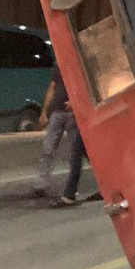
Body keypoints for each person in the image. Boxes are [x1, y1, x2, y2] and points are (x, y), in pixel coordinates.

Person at [32, 65, 86, 205]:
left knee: (77, 151)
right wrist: (45, 112)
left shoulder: (77, 61)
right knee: (48, 148)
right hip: (57, 111)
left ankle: (103, 183)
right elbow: (52, 88)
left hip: (74, 112)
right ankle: (41, 184)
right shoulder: (59, 64)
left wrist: (77, 100)